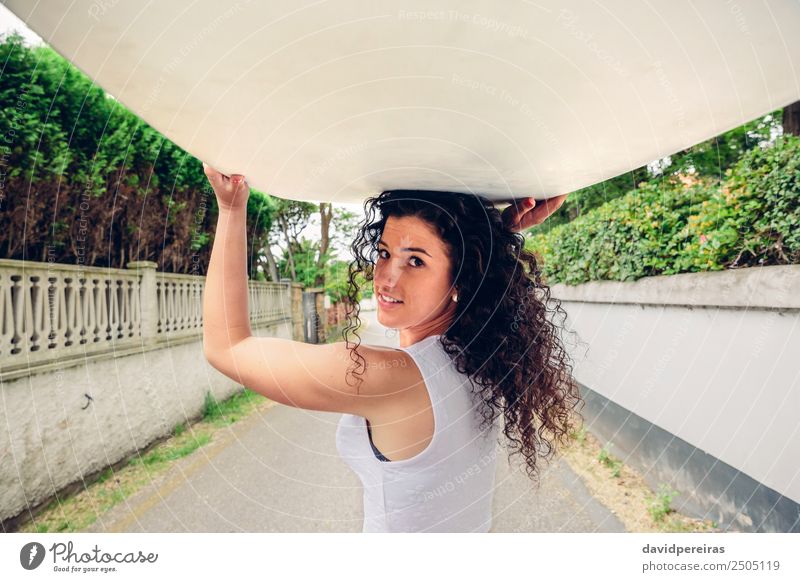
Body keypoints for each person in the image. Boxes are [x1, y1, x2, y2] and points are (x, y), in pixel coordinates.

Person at [201, 164, 581, 532]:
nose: (386, 278)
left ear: (461, 280)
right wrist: (494, 234)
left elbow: (226, 346)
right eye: (384, 253)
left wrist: (232, 208)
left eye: (415, 261)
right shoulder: (475, 355)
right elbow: (473, 270)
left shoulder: (384, 376)